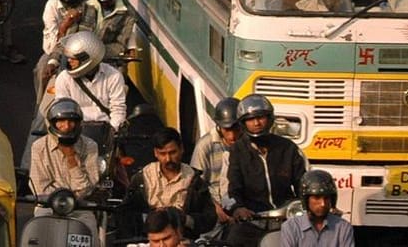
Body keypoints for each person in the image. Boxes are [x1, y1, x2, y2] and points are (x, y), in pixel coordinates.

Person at [224, 95, 306, 247]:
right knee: (232, 240)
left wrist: (308, 203)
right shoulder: (236, 151)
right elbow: (231, 189)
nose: (257, 123)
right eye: (251, 119)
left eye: (261, 117)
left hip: (286, 221)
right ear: (243, 123)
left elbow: (303, 184)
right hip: (251, 223)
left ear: (270, 119)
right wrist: (238, 209)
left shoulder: (288, 148)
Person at [128, 128, 216, 237]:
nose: (168, 159)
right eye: (162, 154)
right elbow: (126, 214)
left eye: (172, 152)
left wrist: (185, 219)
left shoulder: (194, 180)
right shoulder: (143, 178)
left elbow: (209, 218)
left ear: (181, 149)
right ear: (156, 153)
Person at [42, 29, 127, 136]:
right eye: (69, 58)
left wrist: (112, 132)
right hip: (77, 133)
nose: (69, 61)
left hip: (106, 131)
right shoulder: (64, 79)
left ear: (87, 59)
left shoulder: (114, 76)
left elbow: (118, 109)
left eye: (74, 58)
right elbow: (65, 111)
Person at [28, 98, 105, 199]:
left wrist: (72, 159)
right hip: (48, 204)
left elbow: (88, 188)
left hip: (80, 206)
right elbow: (39, 187)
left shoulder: (90, 146)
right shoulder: (39, 146)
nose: (66, 126)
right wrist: (63, 199)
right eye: (61, 121)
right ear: (53, 122)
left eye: (71, 121)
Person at [34, 0, 89, 99]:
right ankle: (40, 111)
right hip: (62, 49)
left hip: (90, 47)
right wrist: (64, 26)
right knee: (42, 71)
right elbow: (49, 47)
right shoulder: (51, 7)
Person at [85, 0, 144, 73]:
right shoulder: (84, 5)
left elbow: (120, 44)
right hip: (81, 60)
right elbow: (72, 34)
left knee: (120, 77)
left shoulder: (128, 14)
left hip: (109, 64)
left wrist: (95, 52)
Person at [192, 97, 240, 226]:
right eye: (227, 130)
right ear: (219, 127)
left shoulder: (247, 144)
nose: (232, 136)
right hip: (214, 208)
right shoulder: (204, 146)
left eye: (236, 129)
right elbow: (197, 186)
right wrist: (216, 208)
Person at [280, 170, 352, 247]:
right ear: (306, 199)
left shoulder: (343, 227)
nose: (323, 204)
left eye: (326, 198)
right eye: (317, 198)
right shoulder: (291, 227)